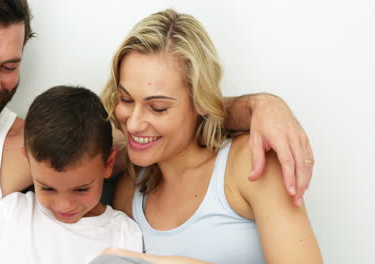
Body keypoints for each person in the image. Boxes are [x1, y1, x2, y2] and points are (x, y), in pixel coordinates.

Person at [0, 0, 313, 263]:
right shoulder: (131, 179)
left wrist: (260, 105)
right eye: (125, 99)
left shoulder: (250, 164)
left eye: (10, 66)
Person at [95, 9, 322, 264]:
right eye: (125, 99)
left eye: (158, 108)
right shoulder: (131, 186)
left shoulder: (251, 163)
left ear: (200, 101)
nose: (134, 123)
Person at [0, 85, 143, 264]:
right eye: (48, 188)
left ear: (108, 165)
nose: (64, 206)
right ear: (28, 161)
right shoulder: (12, 212)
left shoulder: (124, 234)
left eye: (81, 189)